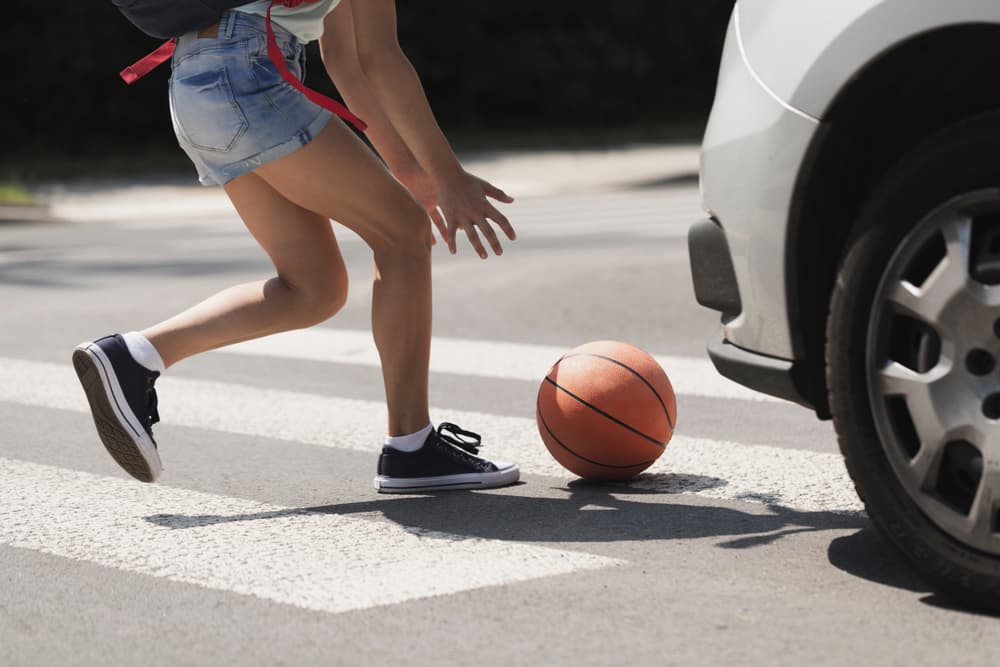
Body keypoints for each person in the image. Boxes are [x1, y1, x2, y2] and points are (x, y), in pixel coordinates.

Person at [71, 0, 519, 493]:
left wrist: (410, 169)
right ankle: (411, 447)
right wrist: (447, 175)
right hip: (247, 74)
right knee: (405, 235)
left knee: (314, 288)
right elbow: (379, 56)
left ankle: (134, 355)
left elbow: (345, 57)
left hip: (202, 81)